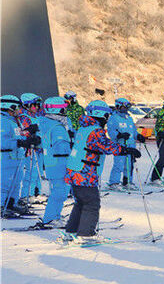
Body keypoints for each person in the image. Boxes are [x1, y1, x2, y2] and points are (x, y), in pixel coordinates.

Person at [61, 101, 140, 245]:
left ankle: (71, 231)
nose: (107, 118)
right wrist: (126, 150)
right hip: (84, 172)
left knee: (81, 202)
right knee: (92, 203)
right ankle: (86, 234)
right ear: (101, 115)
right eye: (106, 115)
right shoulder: (95, 130)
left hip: (75, 170)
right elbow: (106, 146)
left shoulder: (84, 127)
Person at [35, 97, 73, 226]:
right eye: (63, 108)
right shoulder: (57, 127)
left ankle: (54, 216)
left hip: (53, 163)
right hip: (60, 163)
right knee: (59, 192)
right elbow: (61, 146)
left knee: (58, 192)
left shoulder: (47, 124)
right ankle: (50, 218)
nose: (65, 111)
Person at [1, 95, 30, 216]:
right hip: (5, 158)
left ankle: (11, 204)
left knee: (16, 183)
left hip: (16, 158)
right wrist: (19, 142)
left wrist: (28, 137)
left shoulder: (13, 121)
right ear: (9, 107)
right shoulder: (2, 121)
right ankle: (1, 205)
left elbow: (17, 136)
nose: (19, 111)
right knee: (4, 184)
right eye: (17, 108)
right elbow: (2, 142)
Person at [106, 97, 138, 190]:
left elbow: (133, 130)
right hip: (120, 145)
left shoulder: (129, 118)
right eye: (123, 107)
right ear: (118, 106)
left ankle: (127, 181)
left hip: (130, 144)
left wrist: (138, 135)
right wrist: (119, 135)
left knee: (129, 165)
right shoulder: (113, 118)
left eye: (126, 108)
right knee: (119, 164)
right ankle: (114, 183)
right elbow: (111, 131)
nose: (125, 109)